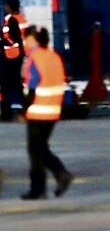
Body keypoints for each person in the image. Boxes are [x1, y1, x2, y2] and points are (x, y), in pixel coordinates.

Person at [20, 26, 73, 200]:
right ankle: (39, 189)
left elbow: (33, 86)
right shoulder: (54, 56)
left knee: (37, 150)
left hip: (38, 111)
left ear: (33, 40)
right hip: (53, 111)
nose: (24, 43)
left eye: (26, 39)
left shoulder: (35, 58)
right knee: (39, 149)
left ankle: (59, 174)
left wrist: (24, 107)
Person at [2, 0, 27, 121]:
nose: (5, 7)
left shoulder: (11, 20)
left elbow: (8, 38)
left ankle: (10, 111)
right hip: (20, 54)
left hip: (11, 55)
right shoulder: (21, 19)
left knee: (9, 83)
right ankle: (19, 109)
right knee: (16, 83)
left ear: (10, 6)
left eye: (6, 5)